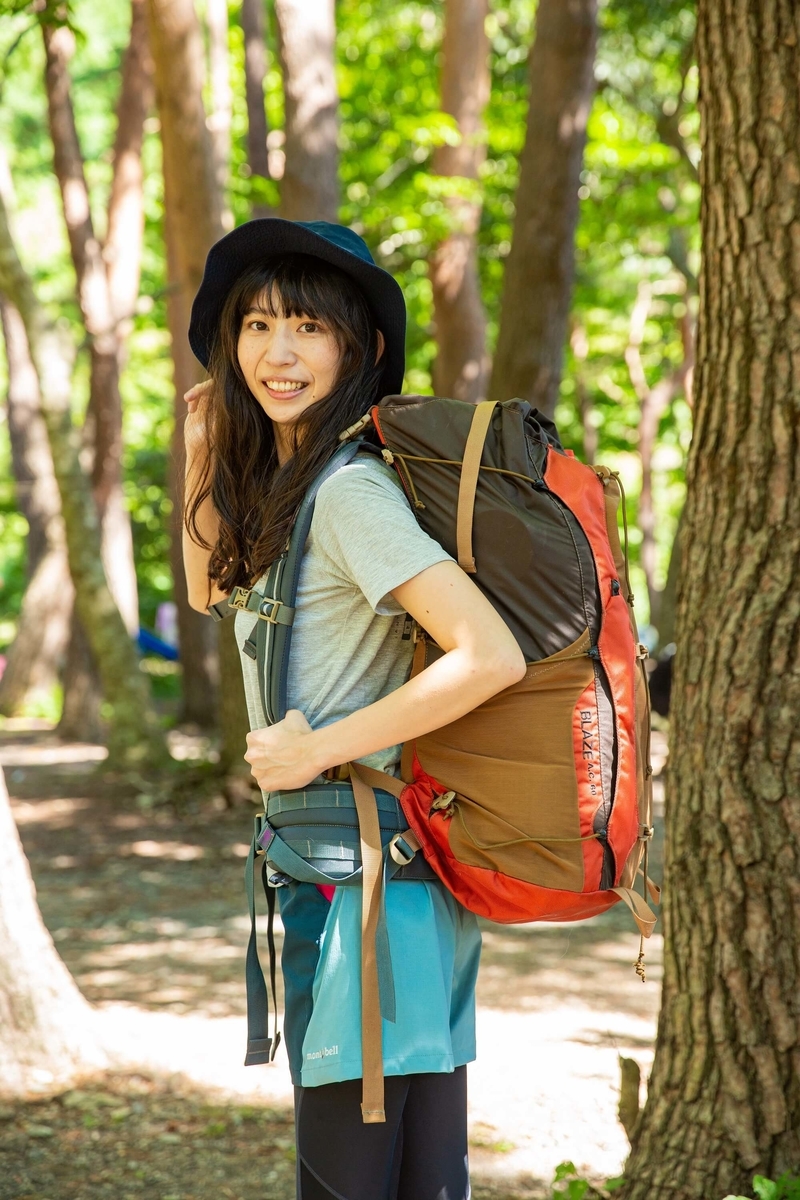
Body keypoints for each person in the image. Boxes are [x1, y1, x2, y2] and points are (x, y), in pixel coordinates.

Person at [182, 218, 525, 1200]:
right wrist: (202, 441)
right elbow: (210, 590)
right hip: (371, 879)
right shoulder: (294, 492)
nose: (276, 353)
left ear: (360, 348)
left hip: (365, 888)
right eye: (254, 325)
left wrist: (311, 751)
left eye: (306, 328)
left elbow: (487, 654)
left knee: (348, 1178)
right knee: (416, 1178)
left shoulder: (349, 494)